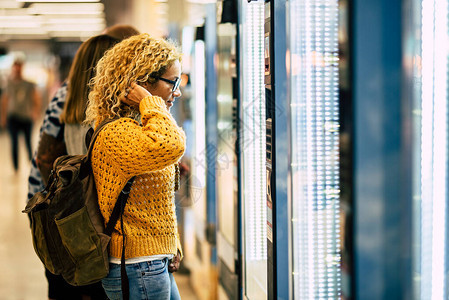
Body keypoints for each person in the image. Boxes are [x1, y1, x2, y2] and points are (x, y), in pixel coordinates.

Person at [27, 25, 139, 300]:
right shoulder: (111, 113)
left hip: (65, 226)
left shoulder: (65, 100)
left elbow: (43, 161)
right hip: (98, 232)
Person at [84, 33, 186, 300]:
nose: (178, 91)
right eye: (173, 82)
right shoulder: (117, 132)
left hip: (151, 262)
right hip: (136, 266)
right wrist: (149, 101)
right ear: (142, 81)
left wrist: (171, 244)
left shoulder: (140, 127)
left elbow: (153, 201)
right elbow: (171, 144)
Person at [1, 58, 41, 171]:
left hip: (26, 117)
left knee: (28, 142)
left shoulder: (28, 84)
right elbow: (5, 99)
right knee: (14, 143)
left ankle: (32, 165)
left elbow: (36, 97)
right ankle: (16, 168)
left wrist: (35, 112)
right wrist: (3, 117)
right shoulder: (9, 84)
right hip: (13, 117)